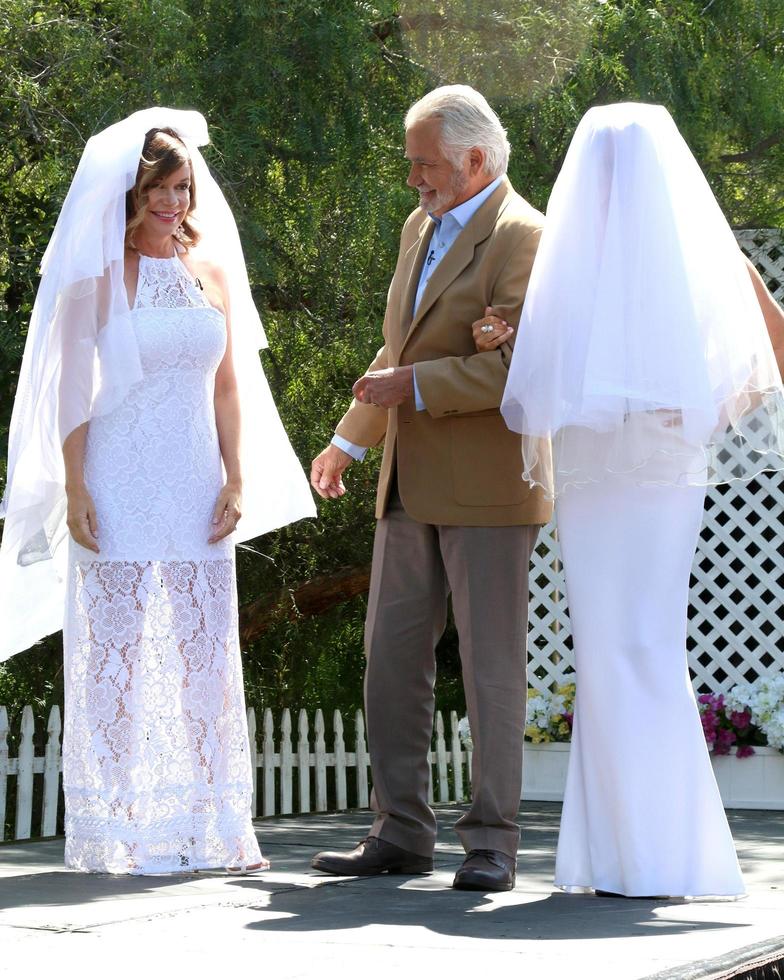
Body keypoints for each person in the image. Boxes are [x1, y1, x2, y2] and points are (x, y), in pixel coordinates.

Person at [474, 102, 784, 898]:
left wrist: (700, 413)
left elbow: (767, 354)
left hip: (613, 472)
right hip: (645, 471)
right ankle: (637, 854)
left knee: (621, 647)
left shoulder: (588, 261)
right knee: (633, 647)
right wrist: (701, 415)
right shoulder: (656, 259)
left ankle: (636, 855)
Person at [0, 108, 316, 874]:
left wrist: (237, 476)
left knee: (204, 652)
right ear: (131, 195)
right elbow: (74, 388)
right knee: (115, 651)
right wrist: (76, 487)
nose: (174, 203)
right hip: (113, 472)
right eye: (160, 190)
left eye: (182, 188)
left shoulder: (209, 273)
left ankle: (216, 822)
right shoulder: (97, 277)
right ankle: (121, 825)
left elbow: (232, 385)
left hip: (194, 478)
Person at [309, 85, 550, 892]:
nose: (413, 179)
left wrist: (416, 385)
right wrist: (347, 441)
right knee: (390, 662)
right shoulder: (419, 226)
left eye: (425, 164)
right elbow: (393, 354)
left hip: (488, 488)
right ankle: (401, 832)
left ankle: (493, 843)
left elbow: (522, 368)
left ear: (475, 160)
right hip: (407, 482)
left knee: (488, 670)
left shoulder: (526, 237)